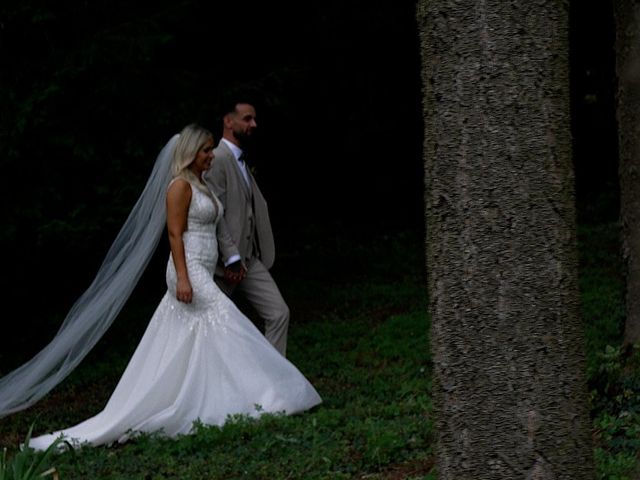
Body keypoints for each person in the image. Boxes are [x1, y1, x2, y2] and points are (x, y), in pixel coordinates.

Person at [27, 124, 321, 450]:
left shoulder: (202, 183)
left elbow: (215, 226)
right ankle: (266, 394)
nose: (211, 155)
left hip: (205, 269)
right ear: (191, 153)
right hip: (189, 268)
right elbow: (174, 235)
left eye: (211, 149)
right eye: (206, 150)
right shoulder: (179, 186)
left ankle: (207, 395)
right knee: (229, 322)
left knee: (194, 337)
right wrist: (182, 277)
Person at [204, 99, 289, 357]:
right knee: (211, 328)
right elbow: (214, 213)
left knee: (278, 313)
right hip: (224, 265)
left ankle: (274, 382)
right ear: (228, 122)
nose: (254, 124)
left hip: (249, 260)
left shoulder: (240, 160)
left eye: (254, 119)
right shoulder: (217, 159)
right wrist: (230, 258)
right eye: (247, 118)